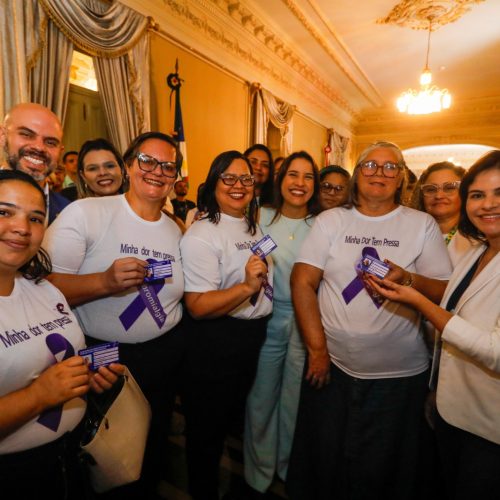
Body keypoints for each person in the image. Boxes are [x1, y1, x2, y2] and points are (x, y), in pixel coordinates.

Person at [287, 141, 453, 500]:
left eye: (390, 167)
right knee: (326, 462)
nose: (380, 173)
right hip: (332, 370)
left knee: (385, 472)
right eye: (371, 165)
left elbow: (442, 291)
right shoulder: (333, 220)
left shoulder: (421, 224)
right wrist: (317, 349)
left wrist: (408, 278)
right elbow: (302, 280)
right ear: (357, 173)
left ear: (402, 179)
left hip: (400, 376)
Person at [43, 131, 185, 499]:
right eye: (147, 161)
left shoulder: (176, 228)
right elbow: (42, 288)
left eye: (168, 165)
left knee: (150, 448)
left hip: (162, 356)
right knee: (103, 455)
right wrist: (104, 282)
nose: (157, 171)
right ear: (128, 165)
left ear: (175, 175)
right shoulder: (88, 213)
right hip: (103, 355)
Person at [367, 150, 500, 499]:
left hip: (490, 423)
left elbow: (494, 351)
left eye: (499, 193)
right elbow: (452, 300)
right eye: (478, 194)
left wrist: (417, 301)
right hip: (453, 405)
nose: (488, 204)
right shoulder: (478, 251)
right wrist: (408, 278)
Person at [0, 169, 123, 500]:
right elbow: (43, 387)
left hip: (70, 458)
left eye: (36, 218)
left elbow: (60, 359)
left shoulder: (45, 290)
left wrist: (86, 378)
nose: (22, 228)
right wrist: (39, 395)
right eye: (4, 212)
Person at [180, 150, 273, 500]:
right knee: (206, 433)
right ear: (214, 182)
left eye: (246, 179)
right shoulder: (203, 234)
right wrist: (248, 288)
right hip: (216, 341)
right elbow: (199, 306)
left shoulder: (252, 225)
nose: (238, 185)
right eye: (229, 178)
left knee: (229, 421)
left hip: (249, 338)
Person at [244, 151, 321, 495]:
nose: (299, 183)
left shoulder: (323, 223)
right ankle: (258, 473)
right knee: (260, 398)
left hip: (307, 322)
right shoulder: (259, 215)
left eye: (308, 177)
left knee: (295, 400)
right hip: (266, 317)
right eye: (293, 174)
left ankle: (289, 467)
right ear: (280, 178)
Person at [1, 103, 70, 225]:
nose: (39, 147)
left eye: (50, 142)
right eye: (26, 135)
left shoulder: (69, 212)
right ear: (2, 136)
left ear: (60, 152)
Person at [413, 161, 471, 267]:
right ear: (421, 196)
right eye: (430, 189)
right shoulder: (411, 234)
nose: (439, 196)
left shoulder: (478, 239)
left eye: (450, 188)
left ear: (465, 192)